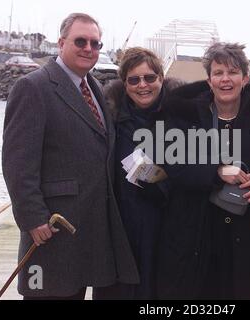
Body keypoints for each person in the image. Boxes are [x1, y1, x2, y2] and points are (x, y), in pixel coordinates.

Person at [2, 13, 139, 300]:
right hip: (52, 228)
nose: (89, 49)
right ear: (61, 42)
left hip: (89, 228)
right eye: (81, 41)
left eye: (95, 43)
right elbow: (17, 162)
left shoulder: (95, 89)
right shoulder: (33, 87)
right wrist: (32, 218)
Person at [157, 42, 250, 299]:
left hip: (248, 233)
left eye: (232, 72)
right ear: (209, 81)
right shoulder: (185, 115)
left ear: (244, 78)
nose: (225, 79)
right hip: (197, 229)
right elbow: (173, 166)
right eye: (218, 73)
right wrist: (215, 172)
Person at [103, 47, 182, 299]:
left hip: (165, 224)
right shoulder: (110, 119)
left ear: (161, 78)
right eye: (134, 80)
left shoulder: (181, 118)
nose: (142, 85)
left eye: (149, 78)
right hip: (120, 225)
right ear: (124, 84)